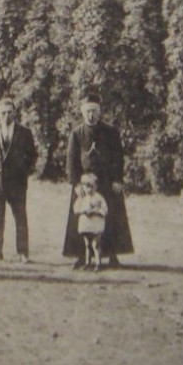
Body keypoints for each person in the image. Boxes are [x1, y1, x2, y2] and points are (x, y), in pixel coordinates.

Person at [61, 94, 134, 269]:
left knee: (111, 216)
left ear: (99, 112)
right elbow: (71, 161)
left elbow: (118, 158)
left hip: (107, 182)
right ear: (82, 112)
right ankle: (80, 256)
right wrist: (76, 184)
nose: (91, 115)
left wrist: (118, 180)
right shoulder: (76, 134)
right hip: (84, 184)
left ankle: (113, 256)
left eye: (94, 111)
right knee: (81, 218)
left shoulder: (111, 132)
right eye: (88, 112)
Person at [0, 97, 37, 263]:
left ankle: (23, 253)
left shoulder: (24, 132)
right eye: (3, 113)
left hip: (17, 183)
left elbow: (32, 156)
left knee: (20, 218)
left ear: (15, 113)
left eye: (9, 112)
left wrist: (23, 171)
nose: (6, 116)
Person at [72, 172, 109, 271]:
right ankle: (87, 263)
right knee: (87, 244)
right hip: (86, 225)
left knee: (96, 244)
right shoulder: (82, 198)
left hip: (96, 225)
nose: (89, 189)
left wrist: (96, 212)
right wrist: (83, 211)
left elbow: (105, 210)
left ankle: (98, 263)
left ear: (96, 187)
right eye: (86, 187)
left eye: (91, 187)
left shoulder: (99, 198)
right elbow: (76, 209)